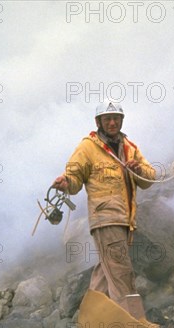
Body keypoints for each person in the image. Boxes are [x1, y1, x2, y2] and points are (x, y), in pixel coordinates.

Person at [52, 101, 156, 311]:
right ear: (98, 121)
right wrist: (66, 184)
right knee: (122, 274)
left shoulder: (130, 148)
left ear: (121, 120)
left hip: (125, 221)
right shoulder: (87, 147)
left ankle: (91, 324)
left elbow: (149, 179)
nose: (112, 123)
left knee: (105, 272)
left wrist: (139, 170)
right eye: (107, 119)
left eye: (116, 118)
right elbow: (74, 178)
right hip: (106, 219)